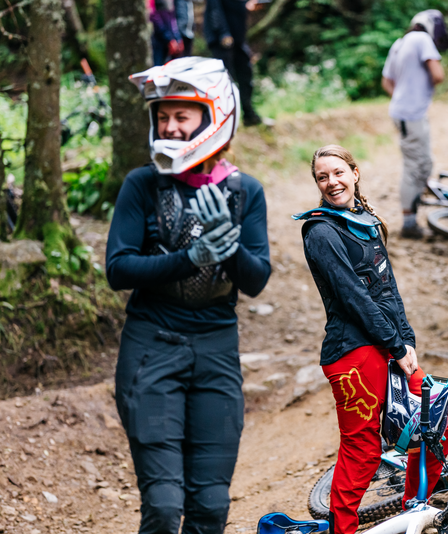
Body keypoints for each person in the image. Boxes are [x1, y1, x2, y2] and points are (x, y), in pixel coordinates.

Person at [106, 57, 271, 534]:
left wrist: (231, 246)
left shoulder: (244, 191)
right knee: (162, 506)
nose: (170, 127)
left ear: (213, 115)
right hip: (151, 347)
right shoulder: (142, 184)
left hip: (217, 349)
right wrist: (191, 256)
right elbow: (118, 269)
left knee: (211, 508)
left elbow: (257, 279)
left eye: (182, 116)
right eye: (163, 116)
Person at [294, 145, 448, 534]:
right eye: (322, 177)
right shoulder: (320, 230)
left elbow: (387, 289)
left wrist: (406, 340)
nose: (332, 183)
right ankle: (342, 529)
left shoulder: (363, 219)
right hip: (353, 353)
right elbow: (352, 297)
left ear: (355, 172)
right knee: (363, 451)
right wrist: (396, 346)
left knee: (437, 426)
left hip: (388, 345)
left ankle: (414, 511)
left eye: (338, 173)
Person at [381, 10, 448, 238]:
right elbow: (438, 74)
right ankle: (409, 223)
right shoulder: (422, 39)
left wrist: (402, 97)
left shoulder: (399, 43)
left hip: (403, 112)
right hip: (411, 114)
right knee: (416, 167)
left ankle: (412, 211)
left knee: (422, 163)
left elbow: (386, 81)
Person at [205, 0, 263, 126]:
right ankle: (225, 119)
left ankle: (249, 115)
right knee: (225, 81)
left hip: (238, 39)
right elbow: (215, 9)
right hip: (222, 40)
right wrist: (223, 33)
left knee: (246, 75)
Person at [149, 0, 184, 66]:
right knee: (158, 67)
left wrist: (177, 38)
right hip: (158, 41)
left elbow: (173, 19)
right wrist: (169, 39)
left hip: (171, 40)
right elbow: (154, 17)